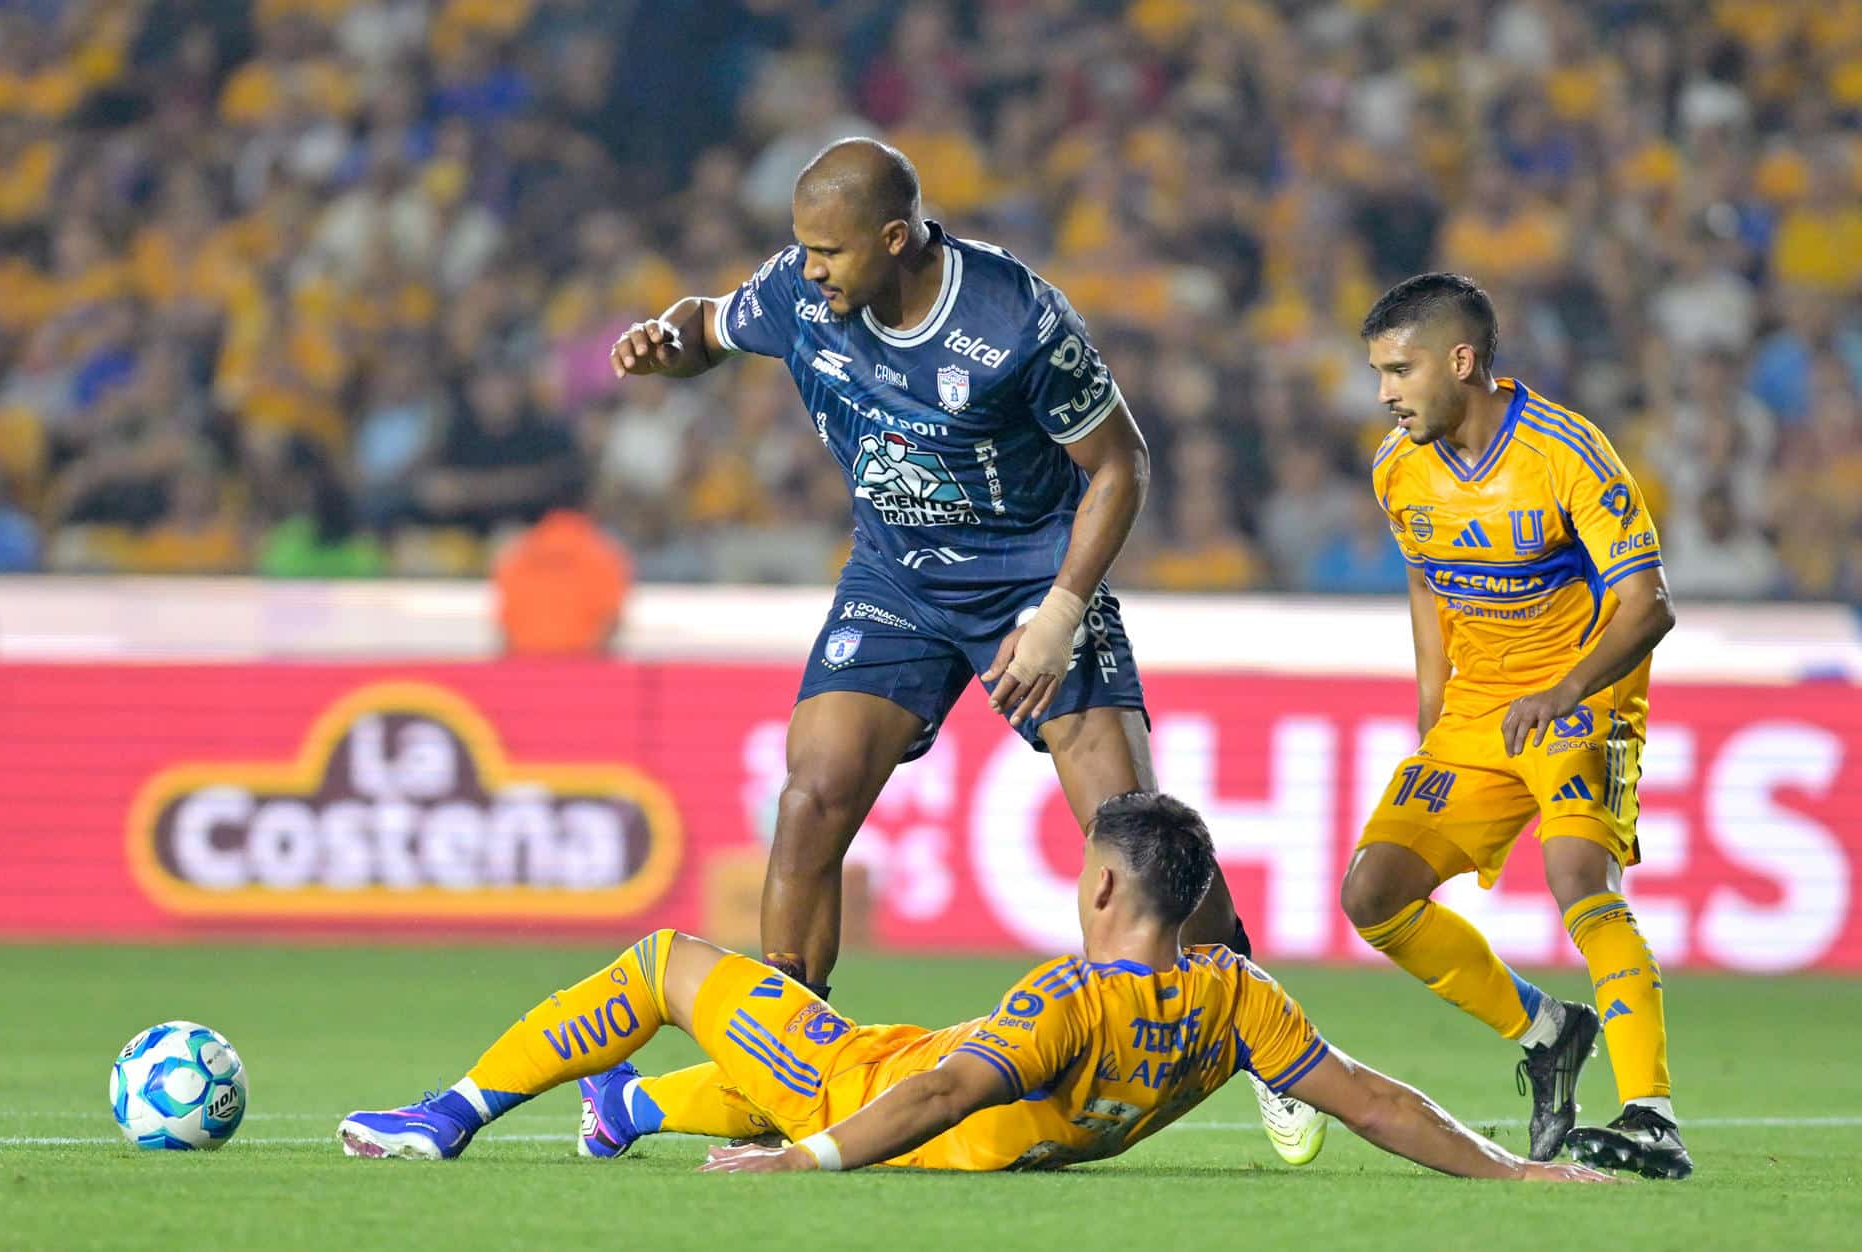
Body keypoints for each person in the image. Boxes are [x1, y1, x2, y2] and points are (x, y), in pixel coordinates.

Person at [606, 137, 1323, 1160]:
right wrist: (662, 343)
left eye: (829, 252)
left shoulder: (1015, 321)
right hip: (897, 577)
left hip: (1030, 577)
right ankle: (776, 1054)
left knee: (1133, 828)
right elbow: (708, 328)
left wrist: (1062, 612)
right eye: (801, 250)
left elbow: (1121, 465)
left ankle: (1262, 1039)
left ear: (894, 239)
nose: (809, 270)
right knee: (811, 792)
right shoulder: (801, 292)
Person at [336, 791, 1609, 1184]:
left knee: (669, 965)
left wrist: (810, 1164)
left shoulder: (1064, 998)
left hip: (877, 1099)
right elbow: (1371, 1098)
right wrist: (1514, 1173)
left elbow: (943, 1089)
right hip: (939, 1089)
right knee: (842, 1051)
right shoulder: (1236, 999)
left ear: (1108, 893)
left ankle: (442, 1118)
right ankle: (632, 1113)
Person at [1344, 273, 1689, 1180]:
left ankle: (1651, 1114)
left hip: (1585, 703)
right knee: (1372, 895)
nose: (1384, 392)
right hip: (1477, 716)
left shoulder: (1566, 452)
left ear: (1462, 361)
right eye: (1378, 372)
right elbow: (1427, 576)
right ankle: (1546, 1030)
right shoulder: (1398, 467)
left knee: (1578, 876)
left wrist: (1567, 692)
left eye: (1399, 369)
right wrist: (1432, 709)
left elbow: (1648, 607)